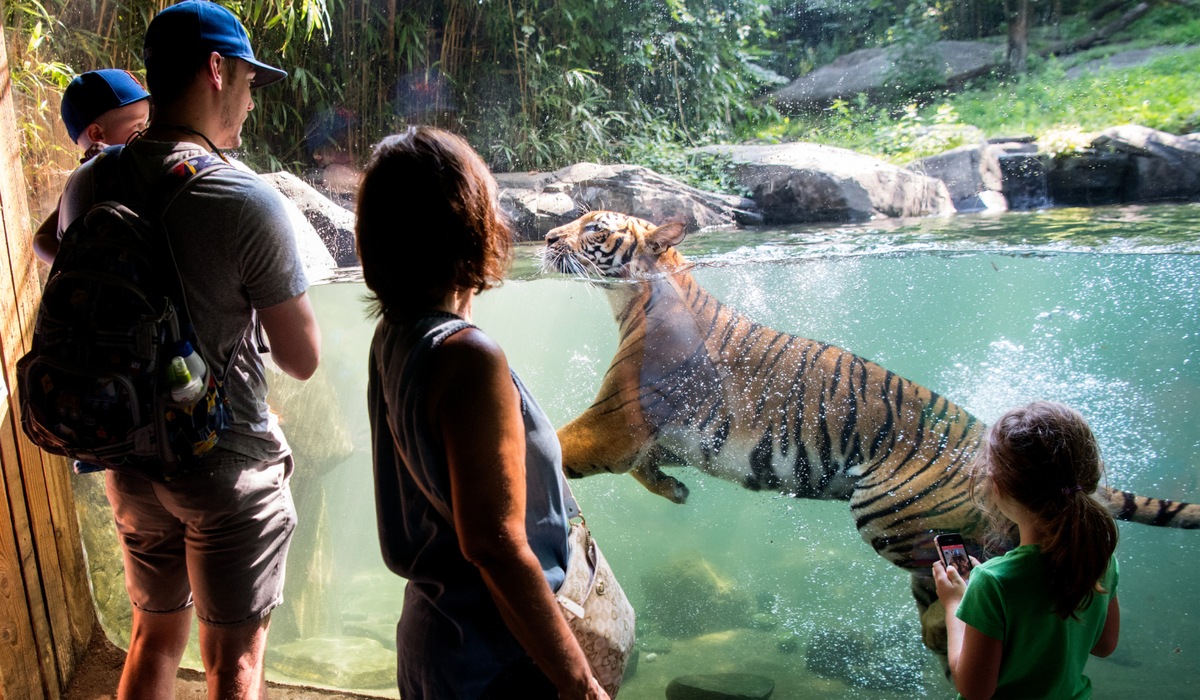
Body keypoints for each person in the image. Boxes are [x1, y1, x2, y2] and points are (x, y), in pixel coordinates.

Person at [54, 2, 321, 699]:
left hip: (129, 458)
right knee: (233, 664)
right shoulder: (242, 196)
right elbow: (302, 358)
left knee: (152, 637)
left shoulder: (90, 182)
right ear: (215, 68)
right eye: (249, 82)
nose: (250, 102)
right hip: (222, 466)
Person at [360, 126, 608, 700]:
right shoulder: (468, 357)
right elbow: (494, 545)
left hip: (434, 643)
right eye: (487, 202)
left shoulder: (394, 334)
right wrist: (579, 683)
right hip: (495, 665)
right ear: (462, 225)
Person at [934, 401, 1120, 700]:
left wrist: (954, 605)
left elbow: (974, 690)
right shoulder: (1101, 559)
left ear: (997, 486)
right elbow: (1104, 645)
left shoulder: (992, 582)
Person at [33, 69, 151, 263]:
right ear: (97, 135)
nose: (145, 133)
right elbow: (41, 239)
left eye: (146, 124)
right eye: (137, 125)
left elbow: (40, 239)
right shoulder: (89, 179)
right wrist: (72, 268)